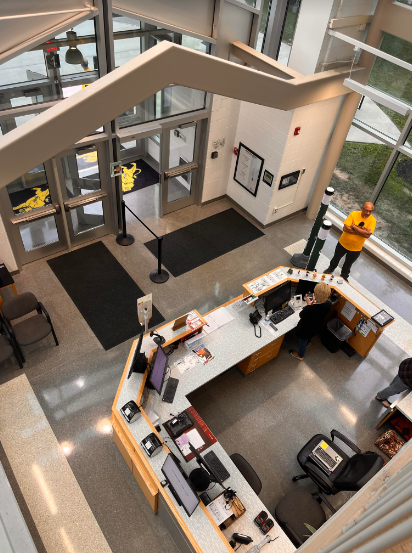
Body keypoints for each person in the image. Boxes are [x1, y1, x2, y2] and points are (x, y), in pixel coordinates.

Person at [324, 202, 376, 281]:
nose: (368, 213)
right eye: (366, 210)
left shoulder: (372, 220)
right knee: (336, 258)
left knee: (348, 264)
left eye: (370, 211)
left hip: (356, 248)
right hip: (343, 243)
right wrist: (362, 231)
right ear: (362, 208)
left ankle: (344, 276)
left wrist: (354, 226)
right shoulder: (354, 214)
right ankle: (331, 268)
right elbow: (345, 228)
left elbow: (367, 235)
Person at [289, 282, 332, 360]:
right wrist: (315, 302)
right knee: (309, 336)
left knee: (302, 341)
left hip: (305, 330)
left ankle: (300, 355)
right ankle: (308, 343)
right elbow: (319, 307)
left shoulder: (310, 309)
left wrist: (309, 305)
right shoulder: (329, 304)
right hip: (317, 327)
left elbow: (301, 315)